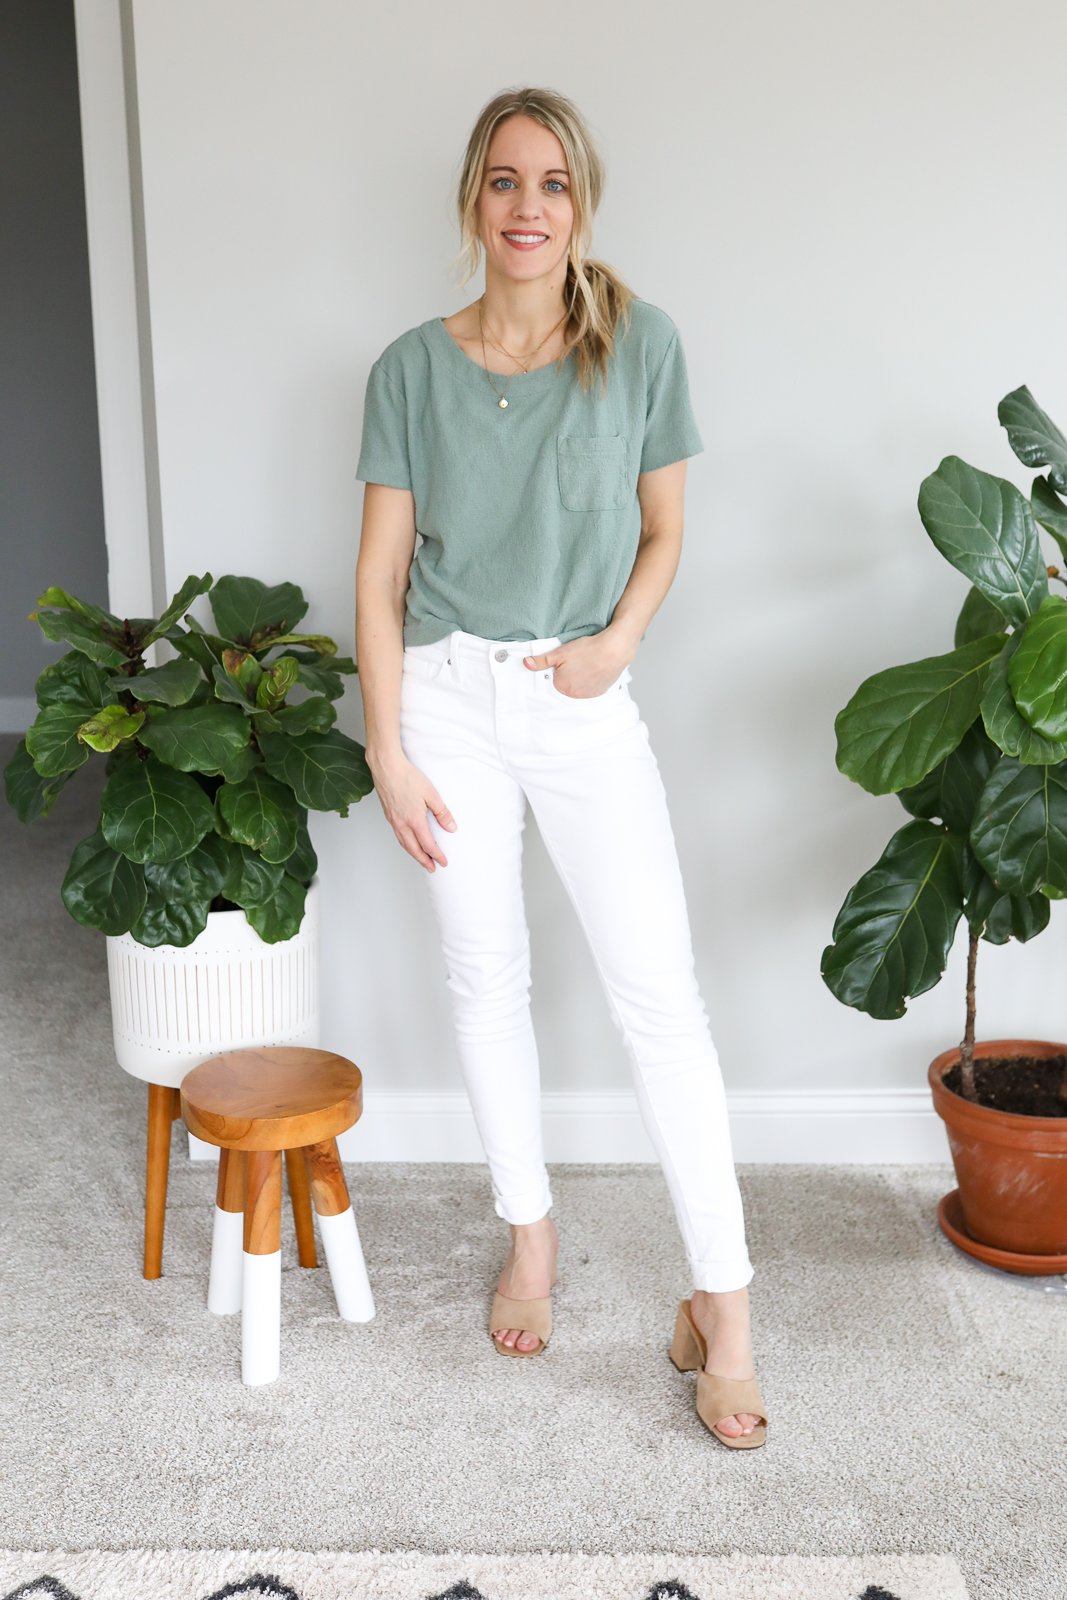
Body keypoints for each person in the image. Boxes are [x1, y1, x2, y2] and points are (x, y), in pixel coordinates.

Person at [353, 86, 768, 1449]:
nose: (526, 208)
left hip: (581, 700)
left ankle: (726, 1303)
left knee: (661, 1000)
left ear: (580, 201)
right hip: (451, 701)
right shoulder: (411, 368)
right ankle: (526, 1235)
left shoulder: (641, 345)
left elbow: (665, 533)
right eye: (502, 182)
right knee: (487, 978)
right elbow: (381, 572)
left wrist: (615, 648)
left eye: (551, 184)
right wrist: (389, 744)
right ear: (472, 199)